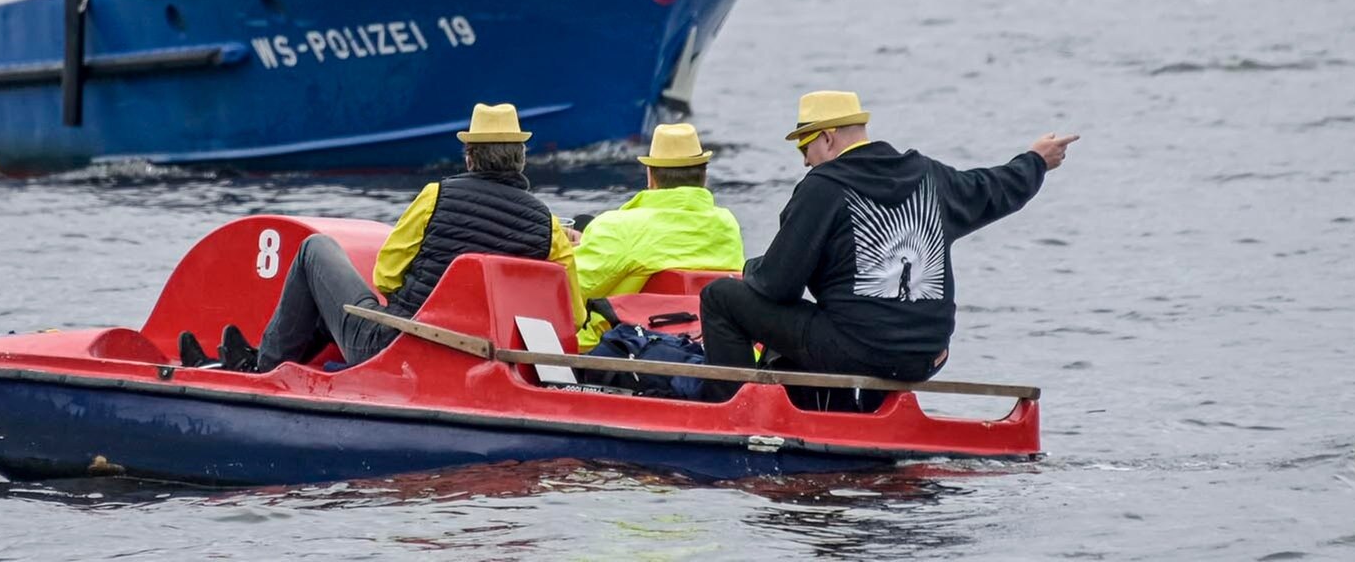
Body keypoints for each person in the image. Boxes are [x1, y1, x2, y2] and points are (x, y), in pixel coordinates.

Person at [696, 91, 1077, 399]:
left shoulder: (823, 187)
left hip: (859, 352)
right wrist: (1036, 160)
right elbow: (997, 188)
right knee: (836, 316)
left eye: (804, 150)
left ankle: (729, 409)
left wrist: (750, 269)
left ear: (826, 137)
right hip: (927, 356)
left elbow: (778, 285)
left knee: (721, 297)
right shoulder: (930, 177)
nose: (805, 163)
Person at [181, 103, 580, 372]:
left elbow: (387, 276)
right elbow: (573, 315)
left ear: (470, 156)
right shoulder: (548, 227)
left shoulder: (436, 197)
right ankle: (268, 360)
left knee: (314, 252)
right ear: (521, 158)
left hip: (393, 349)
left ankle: (261, 369)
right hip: (483, 362)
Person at [569, 124, 745, 350]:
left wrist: (567, 251)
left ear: (651, 177)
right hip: (710, 348)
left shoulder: (620, 228)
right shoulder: (726, 225)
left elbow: (568, 289)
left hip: (627, 352)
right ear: (704, 176)